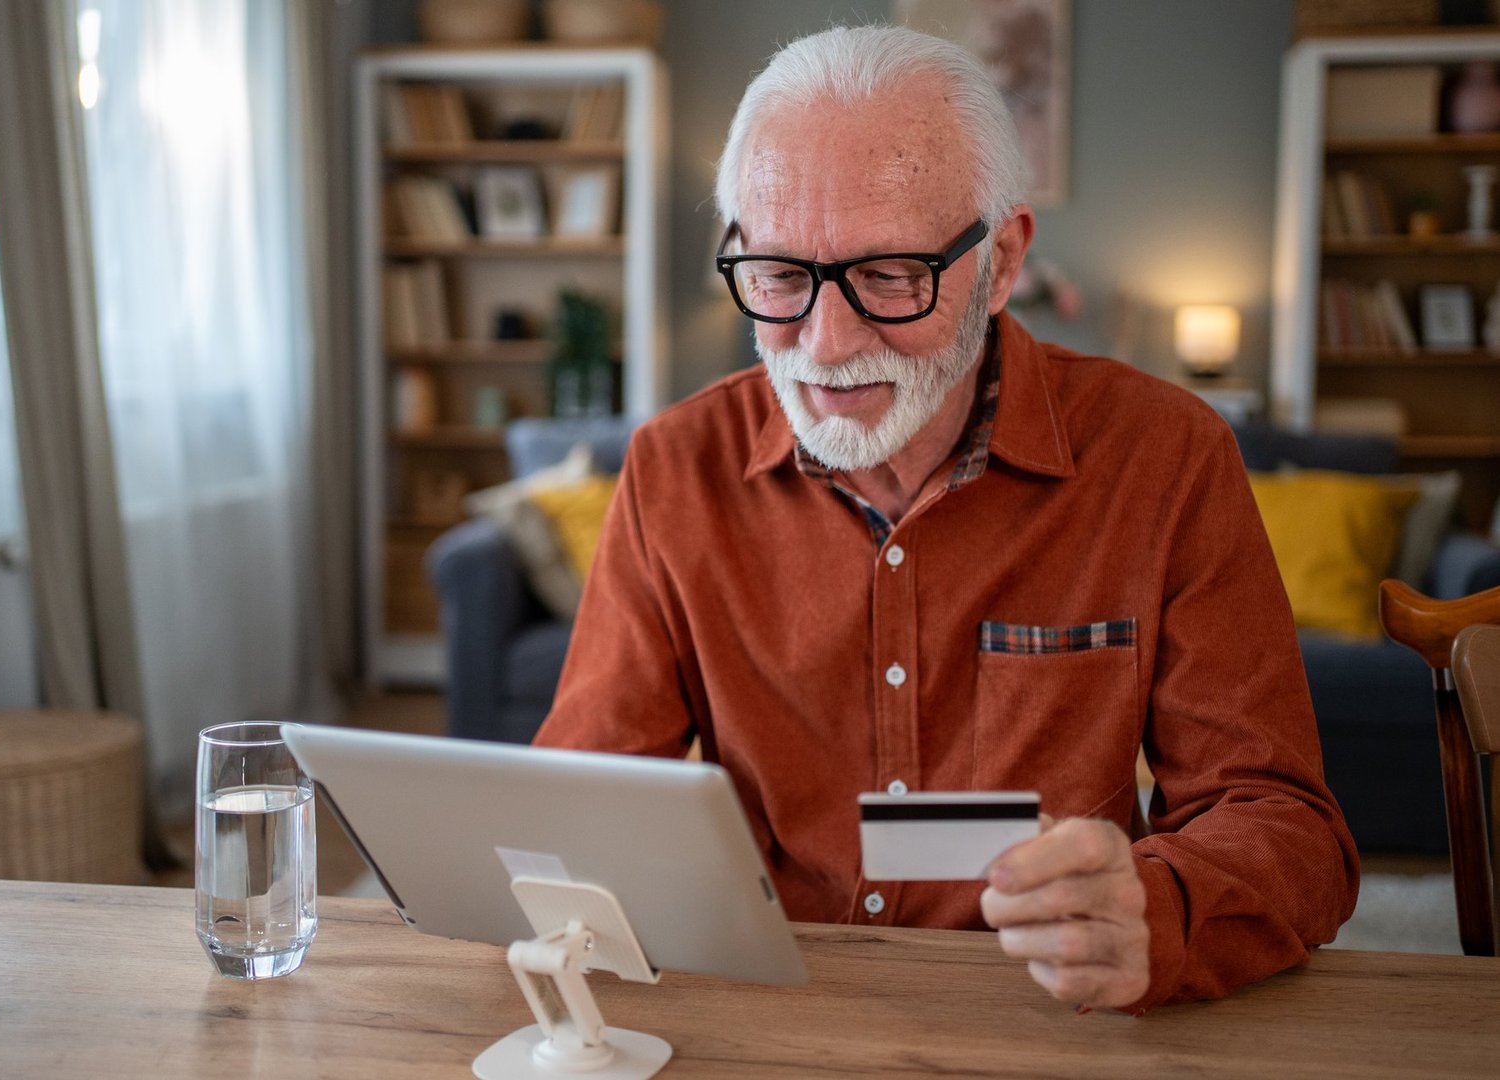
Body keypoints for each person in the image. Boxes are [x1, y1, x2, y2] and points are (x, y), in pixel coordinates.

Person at [534, 24, 1359, 1013]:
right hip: (780, 1010)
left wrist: (1157, 906)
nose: (828, 345)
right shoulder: (677, 469)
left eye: (888, 278)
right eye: (782, 278)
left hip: (1052, 1017)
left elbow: (1286, 826)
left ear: (1003, 260)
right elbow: (576, 806)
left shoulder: (1166, 458)